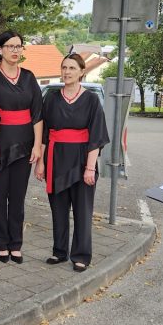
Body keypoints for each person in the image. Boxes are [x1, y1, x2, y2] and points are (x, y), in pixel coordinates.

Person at [35, 54, 109, 273]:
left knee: (82, 211)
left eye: (72, 68)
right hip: (55, 159)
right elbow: (45, 134)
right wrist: (40, 163)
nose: (67, 72)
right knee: (58, 209)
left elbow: (96, 136)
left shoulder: (91, 100)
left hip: (82, 160)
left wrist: (90, 168)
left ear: (82, 72)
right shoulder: (51, 98)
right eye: (64, 67)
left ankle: (81, 255)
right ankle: (59, 251)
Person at [0, 31, 43, 264]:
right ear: (0, 50)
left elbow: (37, 114)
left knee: (18, 197)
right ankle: (1, 243)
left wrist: (37, 146)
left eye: (19, 46)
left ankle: (16, 243)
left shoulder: (29, 77)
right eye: (10, 46)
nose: (15, 50)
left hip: (25, 143)